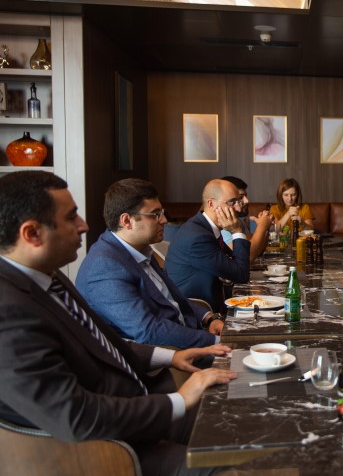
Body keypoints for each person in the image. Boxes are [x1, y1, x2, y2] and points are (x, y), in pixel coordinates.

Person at [0, 171, 236, 476]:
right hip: (111, 446)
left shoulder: (48, 276)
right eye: (71, 217)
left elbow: (99, 341)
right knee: (233, 464)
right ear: (32, 233)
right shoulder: (8, 312)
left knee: (235, 422)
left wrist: (169, 356)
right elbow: (74, 415)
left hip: (139, 402)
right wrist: (179, 400)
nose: (84, 225)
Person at [76, 179, 224, 349]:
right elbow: (149, 331)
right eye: (155, 215)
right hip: (169, 353)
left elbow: (171, 299)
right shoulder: (104, 267)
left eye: (162, 212)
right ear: (127, 221)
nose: (164, 220)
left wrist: (208, 318)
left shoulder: (139, 248)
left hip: (189, 335)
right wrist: (216, 341)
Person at [166, 178, 252, 312]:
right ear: (211, 204)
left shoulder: (204, 227)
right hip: (198, 313)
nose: (238, 208)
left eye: (238, 202)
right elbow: (241, 275)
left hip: (215, 302)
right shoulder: (197, 237)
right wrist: (237, 231)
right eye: (232, 202)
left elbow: (235, 264)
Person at [219, 175, 272, 262]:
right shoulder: (222, 225)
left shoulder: (239, 221)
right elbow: (248, 257)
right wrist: (261, 227)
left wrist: (265, 226)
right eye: (240, 197)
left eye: (246, 196)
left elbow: (258, 250)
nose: (247, 201)